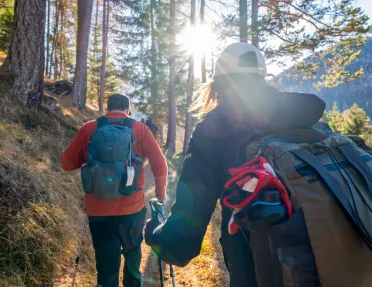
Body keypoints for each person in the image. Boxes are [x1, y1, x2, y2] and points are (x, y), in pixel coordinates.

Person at [144, 43, 325, 286]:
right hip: (334, 266)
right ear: (262, 78)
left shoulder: (214, 130)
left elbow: (180, 245)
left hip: (259, 275)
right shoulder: (312, 124)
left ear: (218, 85)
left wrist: (155, 232)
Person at [62, 94, 168, 287]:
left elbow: (66, 164)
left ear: (107, 109)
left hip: (98, 209)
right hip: (132, 208)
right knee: (133, 254)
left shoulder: (89, 128)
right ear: (127, 110)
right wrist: (160, 196)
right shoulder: (140, 129)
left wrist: (91, 160)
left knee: (106, 265)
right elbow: (160, 165)